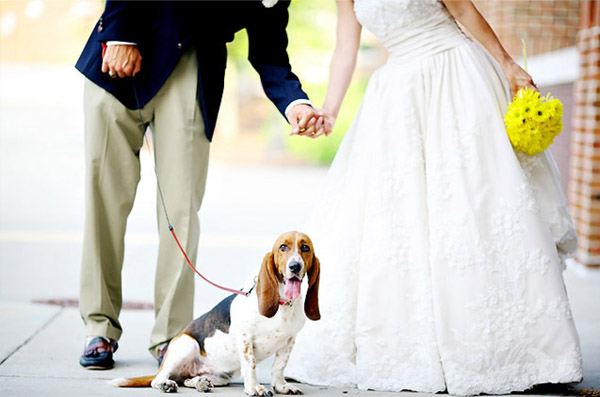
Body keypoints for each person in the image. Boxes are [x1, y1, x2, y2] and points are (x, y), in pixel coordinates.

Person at [286, 0, 583, 395]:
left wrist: (508, 64)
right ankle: (424, 348)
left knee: (474, 205)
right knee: (402, 220)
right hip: (398, 95)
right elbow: (346, 45)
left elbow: (463, 12)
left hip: (455, 76)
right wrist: (330, 110)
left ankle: (515, 352)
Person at [75, 0, 327, 370]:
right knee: (104, 204)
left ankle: (171, 338)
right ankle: (99, 326)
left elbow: (270, 52)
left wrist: (295, 105)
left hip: (192, 69)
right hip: (121, 53)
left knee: (182, 210)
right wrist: (119, 33)